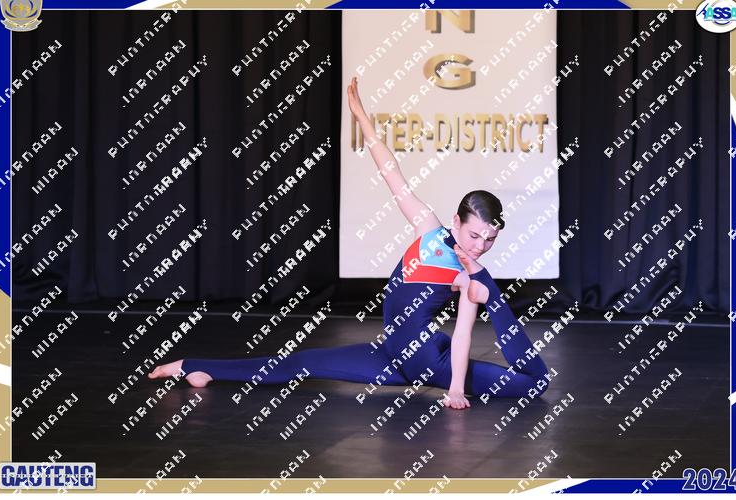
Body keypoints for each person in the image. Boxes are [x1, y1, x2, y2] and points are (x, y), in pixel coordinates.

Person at [148, 77, 550, 410]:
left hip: (433, 364)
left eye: (489, 239)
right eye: (474, 235)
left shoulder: (468, 275)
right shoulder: (428, 228)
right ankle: (196, 366)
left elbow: (463, 334)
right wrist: (362, 119)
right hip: (392, 355)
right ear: (455, 222)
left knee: (534, 383)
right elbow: (390, 170)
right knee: (302, 362)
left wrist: (456, 389)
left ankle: (502, 329)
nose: (479, 245)